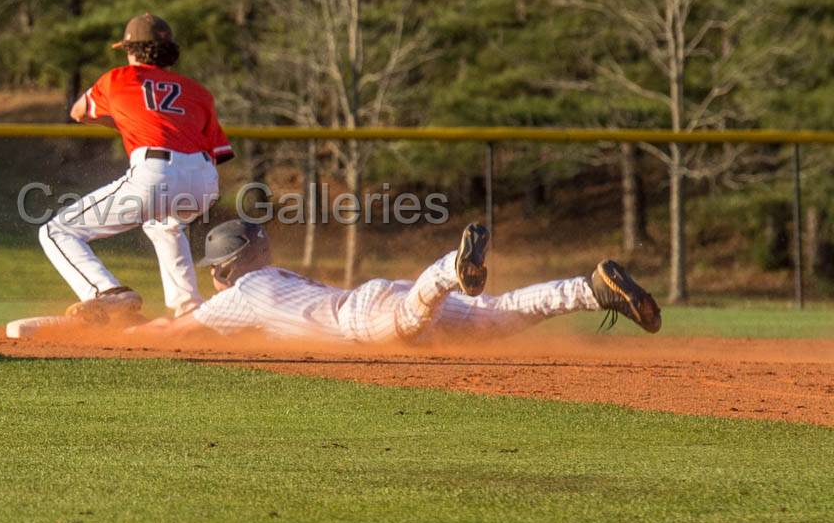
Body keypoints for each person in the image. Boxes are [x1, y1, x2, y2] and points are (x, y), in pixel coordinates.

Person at [128, 220, 662, 342]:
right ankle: (589, 289)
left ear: (225, 268)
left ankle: (451, 270)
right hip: (369, 296)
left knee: (410, 319)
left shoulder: (242, 295)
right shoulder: (274, 278)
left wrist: (118, 332)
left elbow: (172, 333)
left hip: (365, 317)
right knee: (492, 318)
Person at [39, 13, 233, 323]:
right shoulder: (198, 91)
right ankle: (189, 310)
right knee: (165, 223)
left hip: (155, 172)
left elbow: (79, 112)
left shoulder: (118, 79)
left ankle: (107, 293)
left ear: (131, 50)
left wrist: (125, 123)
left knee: (57, 230)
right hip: (204, 179)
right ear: (169, 52)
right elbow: (219, 151)